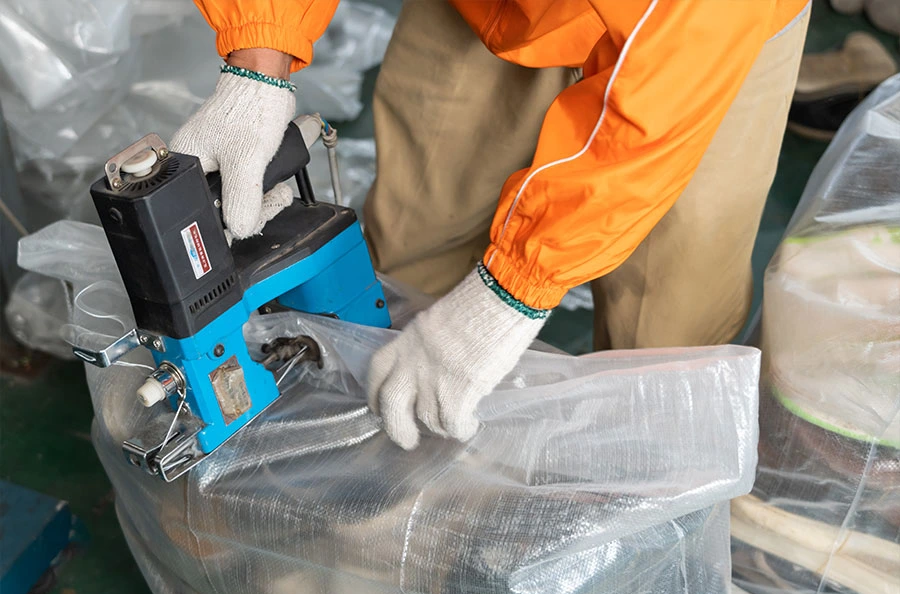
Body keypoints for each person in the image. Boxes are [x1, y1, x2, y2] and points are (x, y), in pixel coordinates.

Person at [172, 0, 811, 450]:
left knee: (668, 341)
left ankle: (637, 543)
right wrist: (259, 60)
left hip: (709, 36)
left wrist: (511, 293)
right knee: (405, 264)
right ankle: (378, 511)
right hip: (487, 10)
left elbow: (675, 67)